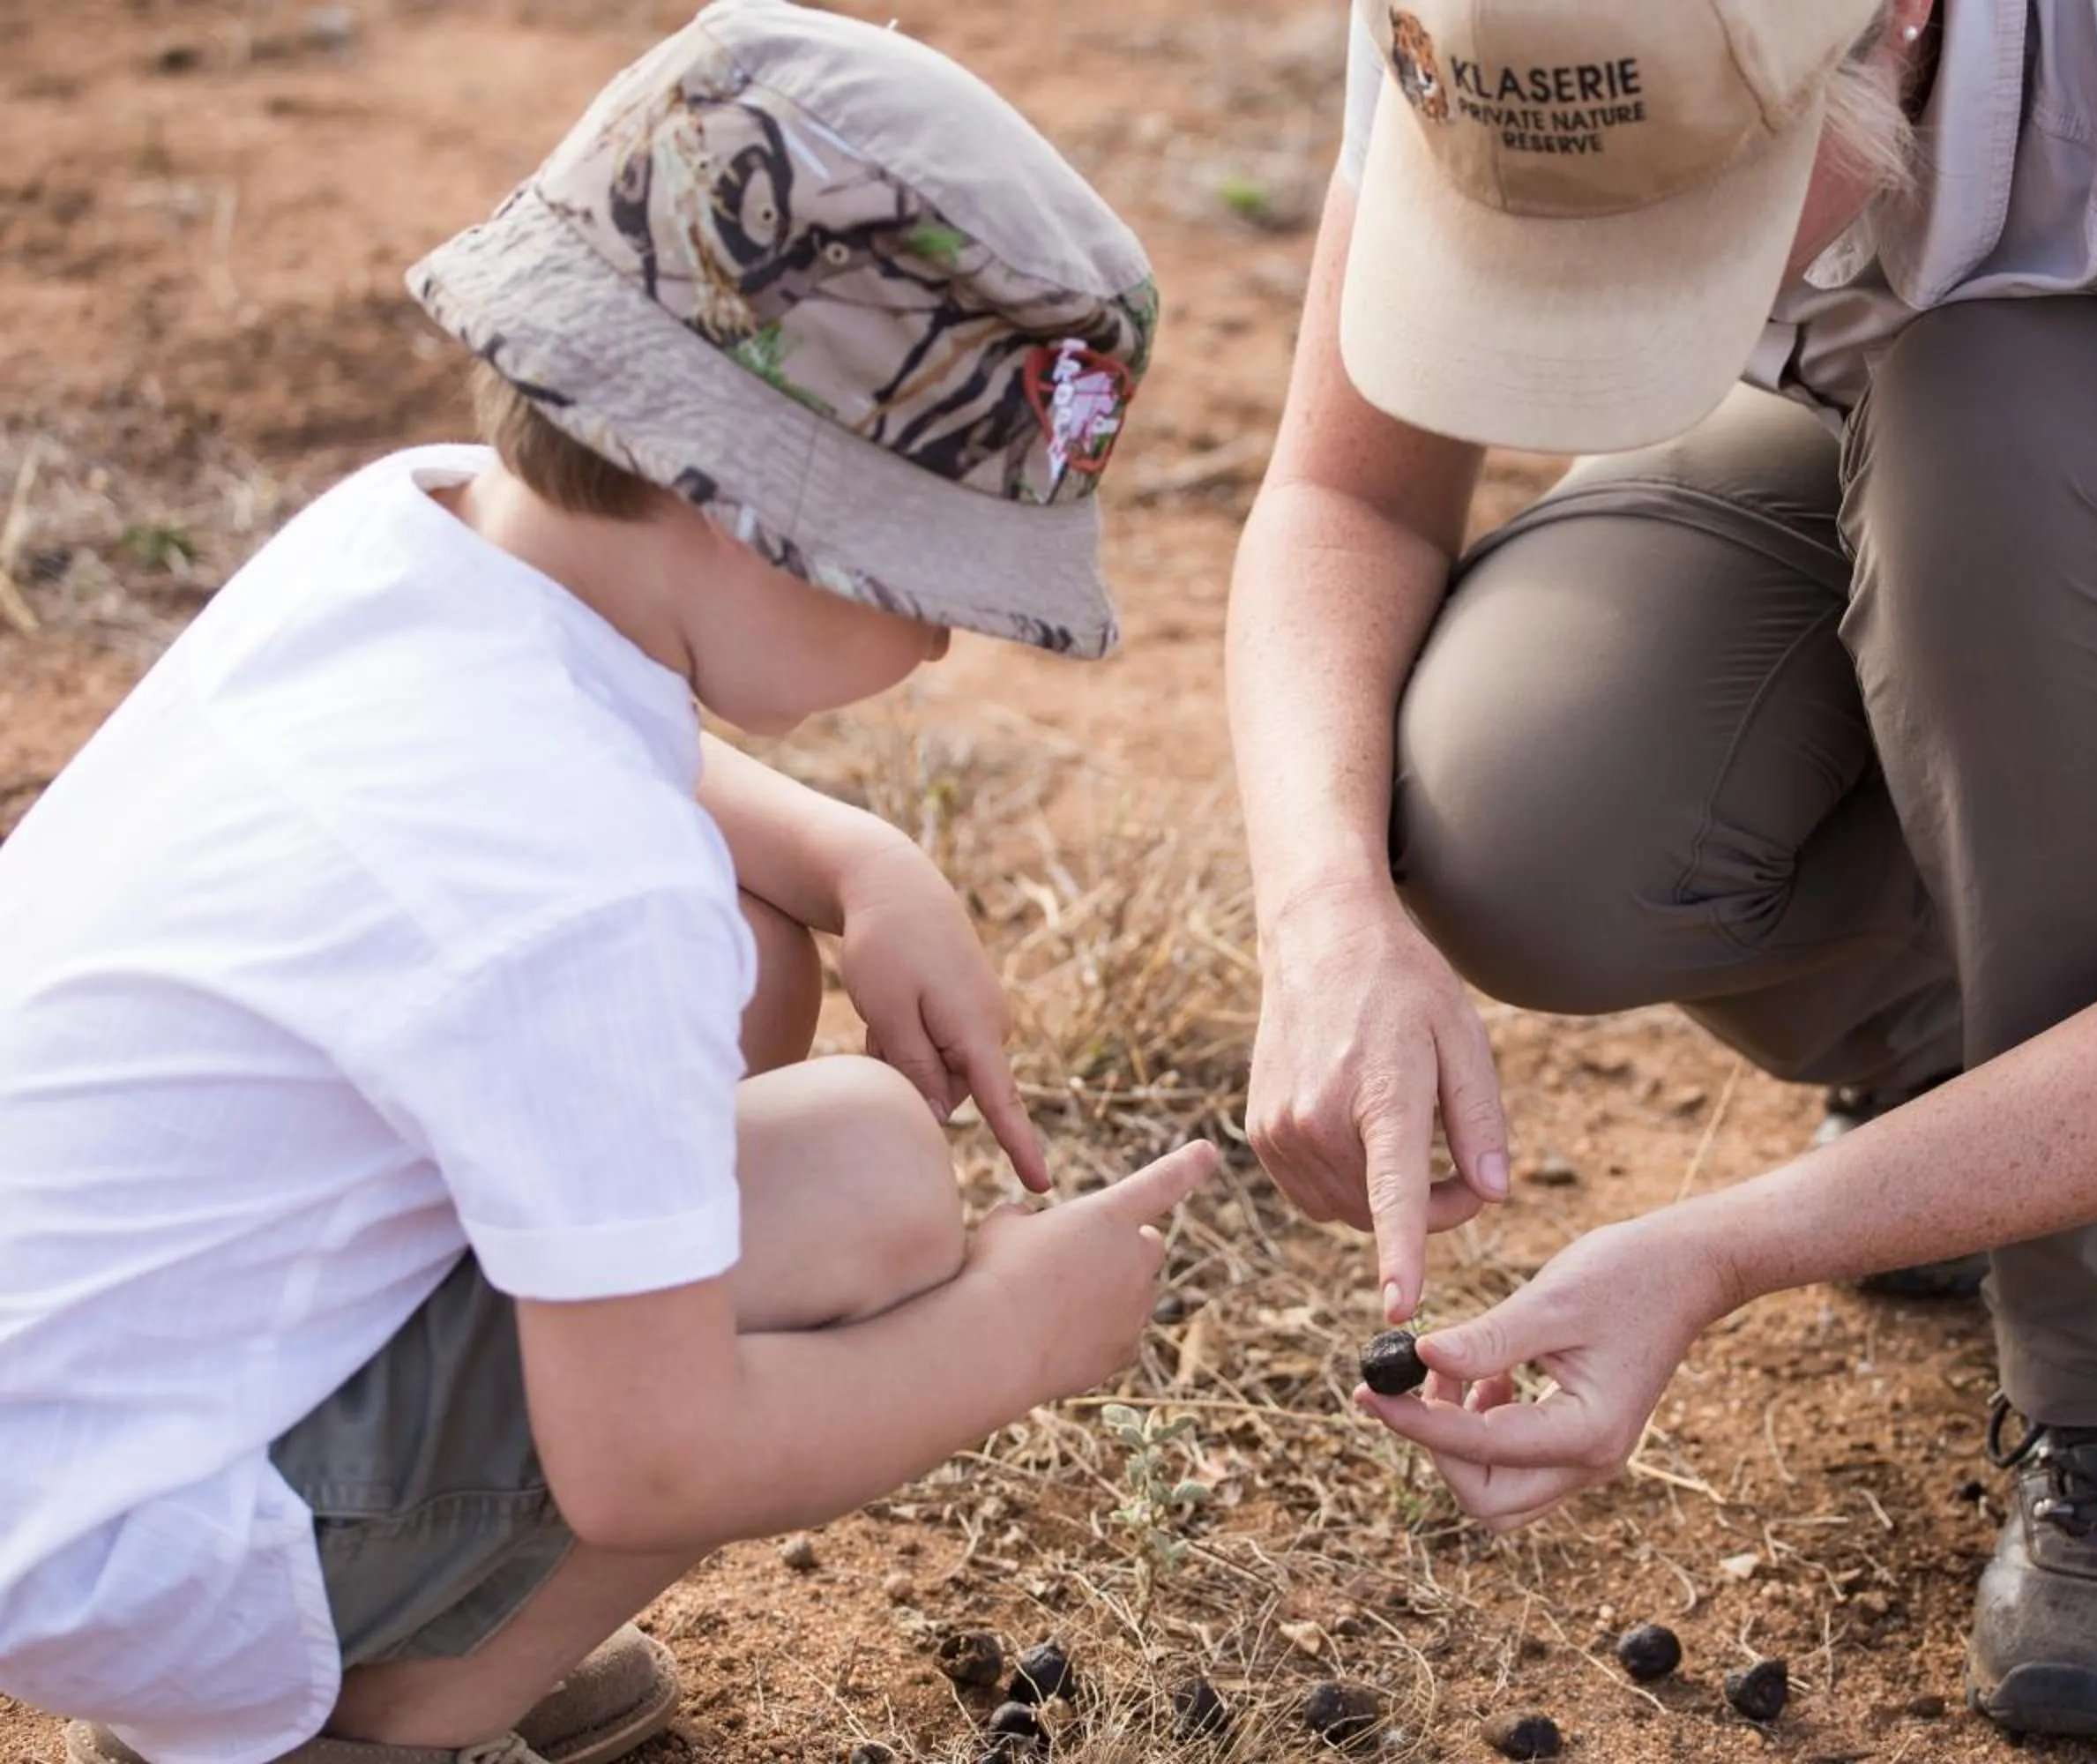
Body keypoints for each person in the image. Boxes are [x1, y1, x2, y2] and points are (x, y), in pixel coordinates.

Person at [1229, 0, 2097, 1738]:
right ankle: (1994, 1089)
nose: (1659, 285)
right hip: (1891, 445)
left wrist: (1731, 1246)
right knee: (1528, 807)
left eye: (1694, 218)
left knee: (2005, 411)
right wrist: (1324, 911)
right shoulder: (1512, 29)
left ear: (1892, 22)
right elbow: (1347, 498)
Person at [0, 5, 1208, 1761]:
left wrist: (858, 853)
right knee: (870, 1178)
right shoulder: (583, 888)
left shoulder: (400, 525)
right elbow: (659, 1454)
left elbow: (569, 793)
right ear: (742, 499)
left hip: (69, 1418)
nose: (945, 638)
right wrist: (1016, 1337)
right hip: (127, 1538)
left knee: (755, 944)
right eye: (925, 568)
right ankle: (379, 1722)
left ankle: (388, 1631)